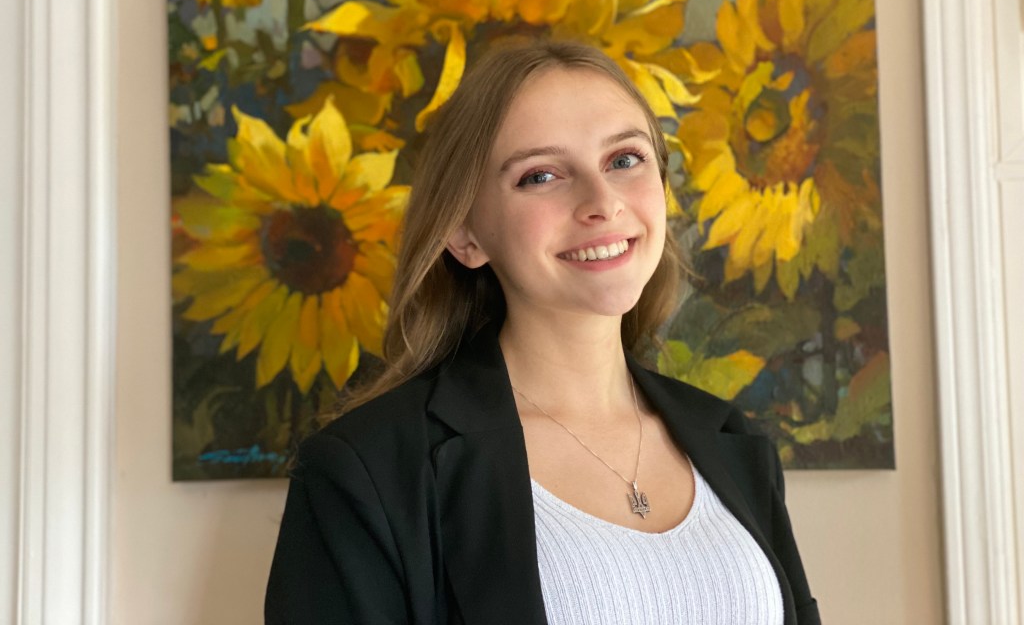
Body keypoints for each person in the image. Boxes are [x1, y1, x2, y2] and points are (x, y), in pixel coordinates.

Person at [265, 41, 820, 625]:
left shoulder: (733, 442)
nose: (602, 202)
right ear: (464, 235)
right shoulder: (366, 471)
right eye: (541, 175)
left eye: (624, 159)